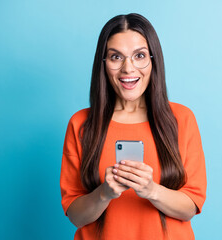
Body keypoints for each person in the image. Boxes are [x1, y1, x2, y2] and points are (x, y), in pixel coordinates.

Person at [60, 13, 207, 240]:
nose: (128, 68)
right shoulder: (81, 124)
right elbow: (76, 216)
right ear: (103, 63)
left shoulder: (181, 119)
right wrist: (104, 193)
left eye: (139, 56)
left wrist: (151, 190)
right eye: (116, 57)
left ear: (153, 59)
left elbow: (191, 207)